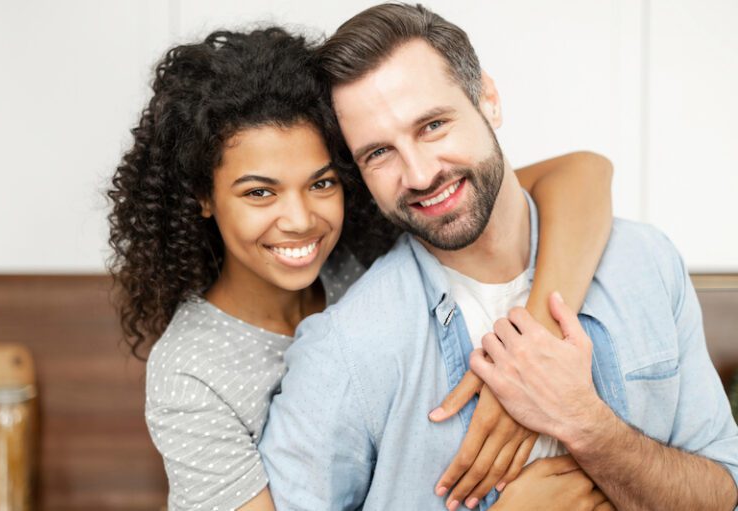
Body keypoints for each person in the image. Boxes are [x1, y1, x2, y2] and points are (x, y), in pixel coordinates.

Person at [107, 27, 613, 511]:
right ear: (203, 196)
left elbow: (584, 173)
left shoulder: (363, 250)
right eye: (260, 192)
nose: (301, 220)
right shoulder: (191, 373)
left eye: (322, 183)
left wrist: (531, 355)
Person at [258, 4, 738, 511]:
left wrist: (590, 429)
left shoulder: (646, 263)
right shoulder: (345, 352)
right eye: (379, 153)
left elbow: (724, 486)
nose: (419, 175)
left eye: (433, 125)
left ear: (488, 100)